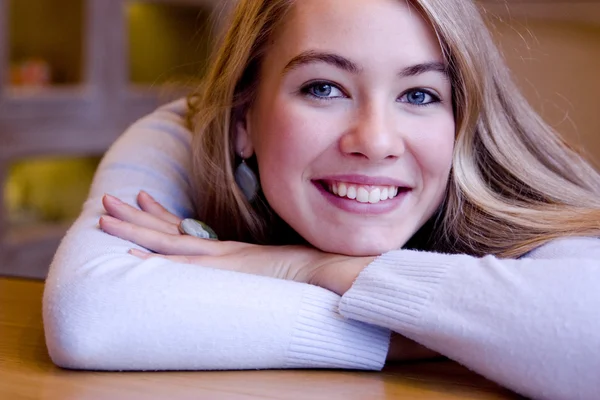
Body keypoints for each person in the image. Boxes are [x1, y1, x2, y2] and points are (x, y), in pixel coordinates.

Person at [43, 0, 600, 399]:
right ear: (244, 119)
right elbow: (88, 315)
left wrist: (307, 266)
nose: (376, 141)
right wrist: (421, 331)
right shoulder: (182, 133)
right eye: (323, 88)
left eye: (419, 94)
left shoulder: (515, 177)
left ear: (461, 120)